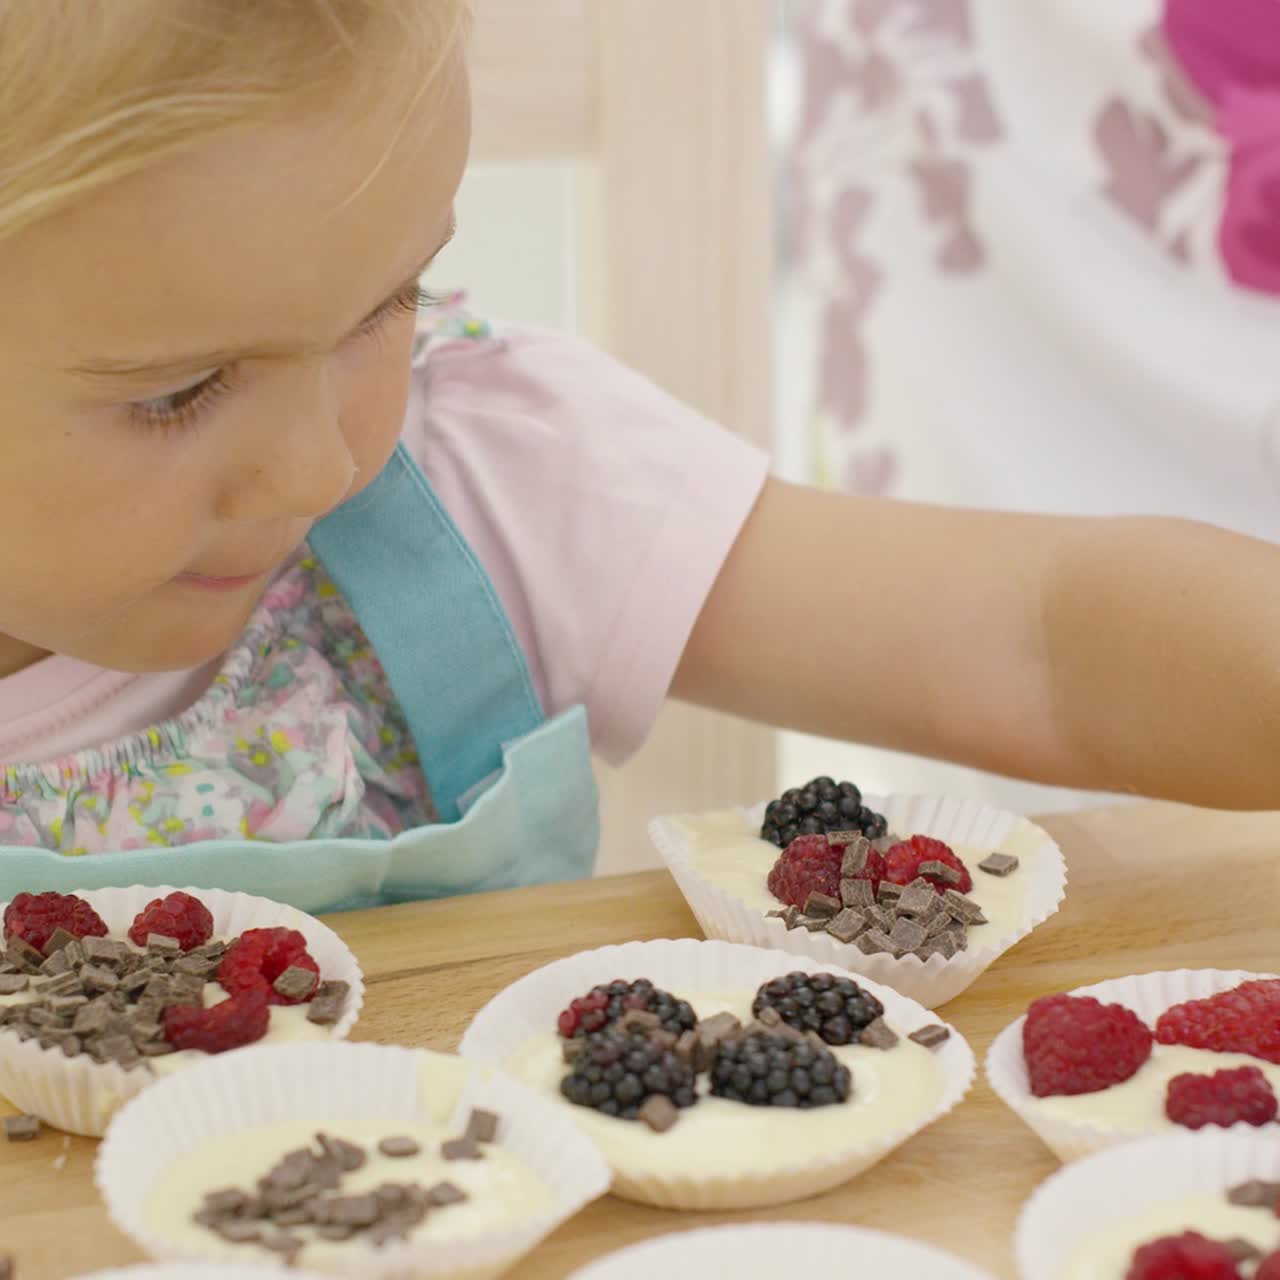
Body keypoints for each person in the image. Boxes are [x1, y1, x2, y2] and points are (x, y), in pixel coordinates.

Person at [0, 0, 1276, 914]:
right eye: (180, 392)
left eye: (386, 304)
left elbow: (1033, 642)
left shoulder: (484, 468)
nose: (321, 464)